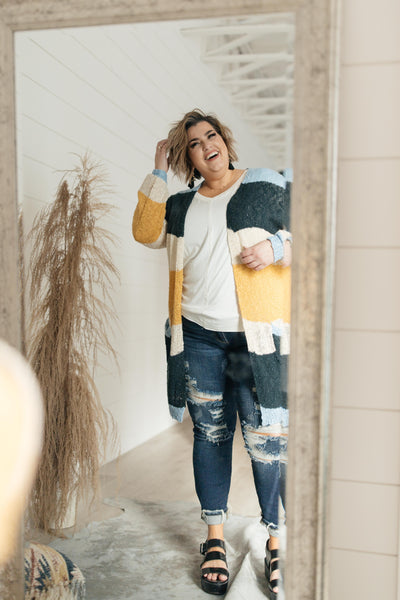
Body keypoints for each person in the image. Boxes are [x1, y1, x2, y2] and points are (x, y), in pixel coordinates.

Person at [132, 109, 291, 598]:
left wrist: (275, 248)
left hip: (255, 341)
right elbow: (144, 231)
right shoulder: (180, 204)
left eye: (212, 135)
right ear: (189, 158)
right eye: (195, 144)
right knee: (211, 434)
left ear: (225, 140)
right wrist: (158, 171)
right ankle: (215, 538)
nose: (207, 145)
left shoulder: (265, 182)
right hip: (198, 336)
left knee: (267, 442)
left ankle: (276, 538)